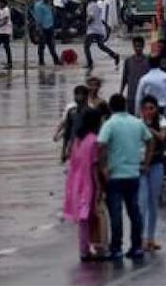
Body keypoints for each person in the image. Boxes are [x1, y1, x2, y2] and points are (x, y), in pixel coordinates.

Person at [97, 94, 153, 261]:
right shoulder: (137, 123)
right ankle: (136, 246)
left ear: (111, 107)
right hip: (133, 173)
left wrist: (103, 167)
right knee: (134, 211)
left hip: (114, 175)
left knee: (116, 213)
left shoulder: (110, 124)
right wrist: (146, 163)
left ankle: (117, 248)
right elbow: (150, 141)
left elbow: (101, 145)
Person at [62, 108, 102, 262]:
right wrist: (99, 185)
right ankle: (86, 249)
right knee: (87, 216)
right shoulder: (93, 140)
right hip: (87, 181)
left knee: (82, 217)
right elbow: (95, 165)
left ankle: (85, 247)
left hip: (74, 181)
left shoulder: (77, 141)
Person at [137, 95, 166, 252]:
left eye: (151, 108)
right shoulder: (136, 123)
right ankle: (142, 238)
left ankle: (151, 237)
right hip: (141, 167)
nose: (148, 112)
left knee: (153, 202)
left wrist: (149, 129)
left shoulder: (161, 121)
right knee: (141, 203)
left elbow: (163, 137)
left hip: (156, 164)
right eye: (145, 109)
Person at [53, 84, 93, 164]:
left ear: (86, 96)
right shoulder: (71, 110)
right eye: (77, 94)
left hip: (87, 145)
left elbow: (95, 131)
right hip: (73, 145)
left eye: (81, 95)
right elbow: (66, 128)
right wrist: (63, 150)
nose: (78, 97)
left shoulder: (92, 110)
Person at [83, 0, 120, 72]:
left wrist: (86, 23)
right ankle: (114, 55)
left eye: (84, 0)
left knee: (86, 46)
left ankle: (89, 63)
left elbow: (91, 17)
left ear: (87, 0)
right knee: (101, 46)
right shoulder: (96, 5)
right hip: (100, 29)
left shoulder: (90, 6)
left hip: (92, 30)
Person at [119, 36, 150, 110]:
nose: (138, 48)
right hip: (131, 95)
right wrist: (121, 92)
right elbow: (124, 78)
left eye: (140, 46)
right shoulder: (128, 61)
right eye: (136, 46)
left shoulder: (148, 61)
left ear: (143, 46)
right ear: (133, 46)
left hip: (144, 95)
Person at [31, 0, 61, 66]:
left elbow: (50, 16)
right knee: (41, 45)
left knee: (51, 45)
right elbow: (38, 18)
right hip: (42, 28)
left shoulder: (49, 5)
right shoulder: (38, 6)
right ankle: (41, 61)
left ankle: (56, 60)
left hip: (50, 27)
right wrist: (39, 29)